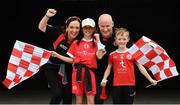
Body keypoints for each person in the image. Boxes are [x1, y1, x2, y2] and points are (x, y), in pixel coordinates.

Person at [51, 18, 103, 104]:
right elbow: (72, 60)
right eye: (85, 28)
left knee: (90, 100)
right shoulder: (76, 43)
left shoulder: (96, 43)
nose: (87, 30)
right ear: (82, 29)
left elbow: (100, 56)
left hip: (89, 74)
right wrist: (58, 55)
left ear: (94, 29)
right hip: (77, 73)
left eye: (90, 28)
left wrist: (98, 40)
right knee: (78, 100)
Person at [101, 27, 158, 104]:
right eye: (119, 39)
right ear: (115, 39)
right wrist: (104, 79)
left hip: (130, 84)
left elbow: (140, 67)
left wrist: (150, 79)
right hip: (117, 85)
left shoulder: (132, 53)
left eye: (124, 39)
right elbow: (108, 68)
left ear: (128, 40)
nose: (121, 41)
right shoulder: (112, 54)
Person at [38, 8, 81, 104]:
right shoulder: (58, 32)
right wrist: (47, 16)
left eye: (77, 28)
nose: (74, 30)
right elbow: (41, 27)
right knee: (57, 94)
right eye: (71, 27)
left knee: (68, 97)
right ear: (67, 27)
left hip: (68, 69)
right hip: (52, 67)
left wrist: (58, 55)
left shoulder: (79, 41)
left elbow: (74, 60)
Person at [95, 13, 117, 104]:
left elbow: (132, 51)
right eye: (102, 26)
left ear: (112, 24)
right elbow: (99, 56)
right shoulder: (94, 35)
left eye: (107, 26)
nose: (105, 29)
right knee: (98, 99)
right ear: (98, 25)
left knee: (119, 98)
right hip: (99, 70)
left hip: (117, 71)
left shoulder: (120, 34)